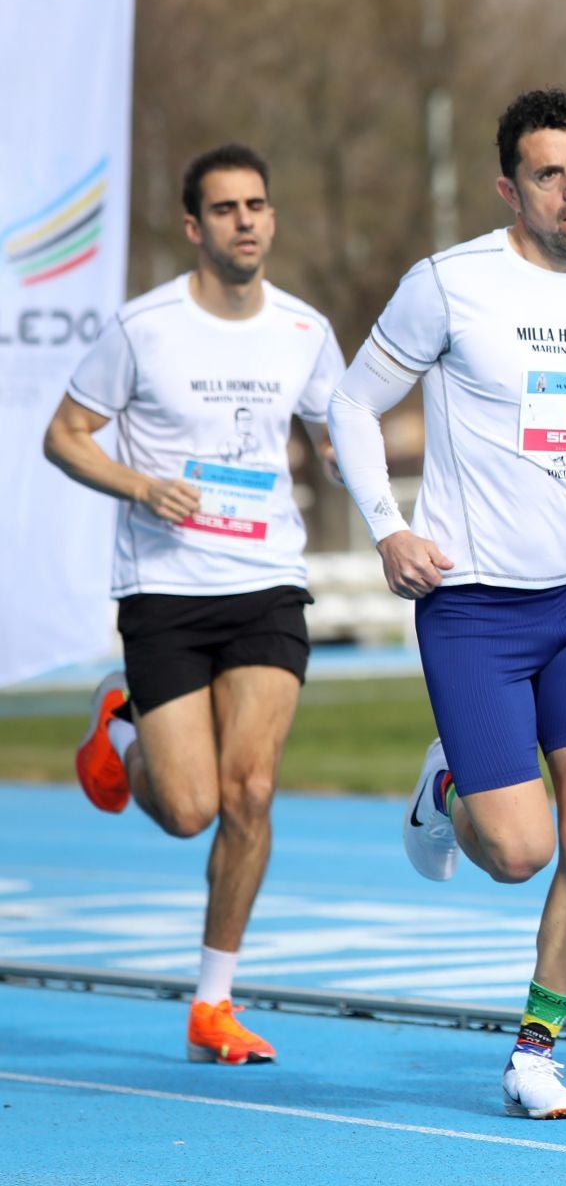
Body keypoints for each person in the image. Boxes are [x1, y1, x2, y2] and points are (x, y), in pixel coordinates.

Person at [326, 89, 566, 1120]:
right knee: (521, 849)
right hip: (474, 609)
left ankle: (536, 1049)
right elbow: (350, 404)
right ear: (511, 188)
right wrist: (387, 528)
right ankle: (444, 792)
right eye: (550, 172)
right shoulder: (449, 285)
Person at [48, 143, 345, 1066]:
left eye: (258, 205)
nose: (246, 221)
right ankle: (122, 721)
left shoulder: (304, 331)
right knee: (187, 809)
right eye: (225, 209)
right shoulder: (145, 329)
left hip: (266, 584)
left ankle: (213, 1003)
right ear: (194, 226)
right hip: (166, 589)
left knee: (250, 792)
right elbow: (66, 437)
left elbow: (342, 436)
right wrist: (139, 487)